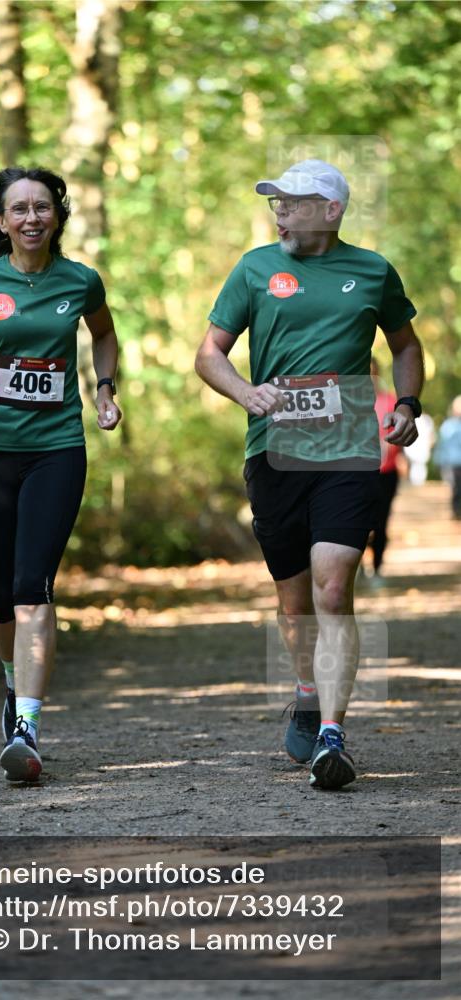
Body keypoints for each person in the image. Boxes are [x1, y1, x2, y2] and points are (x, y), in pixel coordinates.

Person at [195, 159, 424, 790]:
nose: (278, 211)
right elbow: (209, 353)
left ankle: (332, 732)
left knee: (332, 587)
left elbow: (406, 346)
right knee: (295, 599)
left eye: (290, 202)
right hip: (275, 451)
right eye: (274, 202)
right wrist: (246, 393)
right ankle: (304, 687)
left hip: (350, 452)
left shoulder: (372, 270)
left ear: (331, 210)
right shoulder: (255, 269)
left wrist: (407, 404)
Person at [0, 166, 121, 781]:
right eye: (19, 210)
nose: (32, 218)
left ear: (57, 216)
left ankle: (28, 726)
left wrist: (105, 391)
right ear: (1, 220)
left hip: (57, 449)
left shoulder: (80, 280)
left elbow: (105, 335)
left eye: (42, 208)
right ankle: (13, 684)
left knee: (33, 585)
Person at [364, 356, 406, 585]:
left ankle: (377, 567)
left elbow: (398, 434)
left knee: (380, 522)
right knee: (354, 522)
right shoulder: (347, 402)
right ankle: (355, 565)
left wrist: (387, 445)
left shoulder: (390, 401)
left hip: (385, 473)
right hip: (354, 471)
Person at [433, 395, 461, 519]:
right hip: (453, 463)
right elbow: (442, 445)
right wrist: (439, 461)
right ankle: (456, 510)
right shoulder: (448, 426)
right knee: (456, 488)